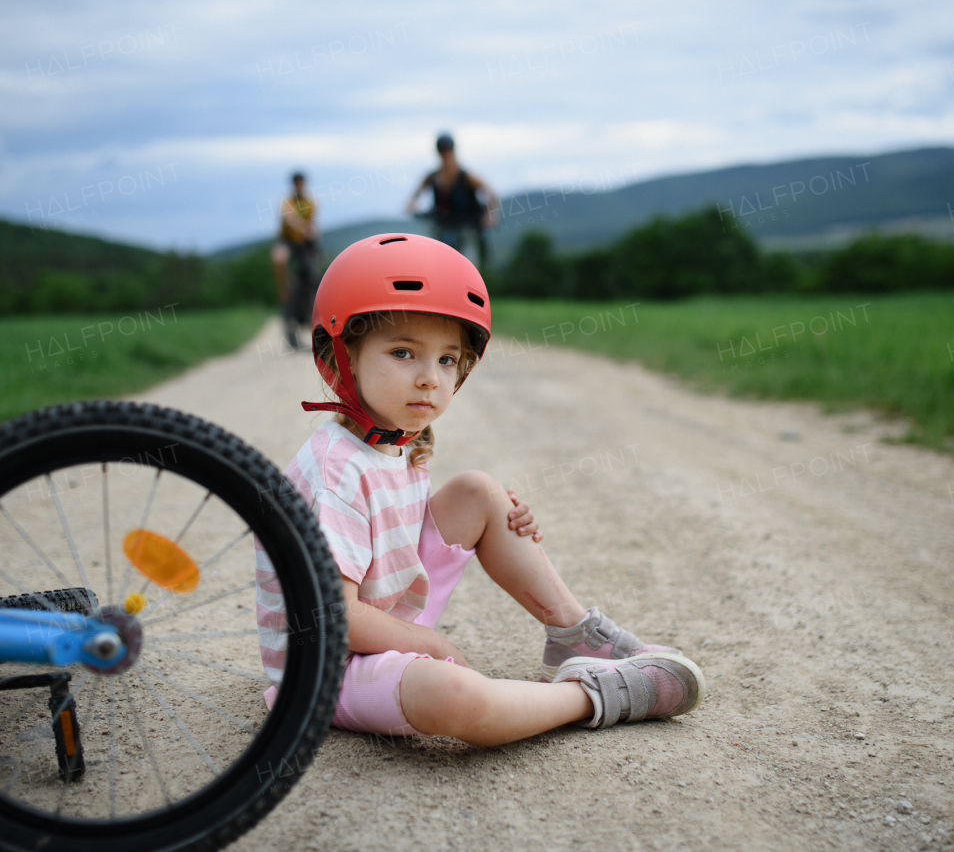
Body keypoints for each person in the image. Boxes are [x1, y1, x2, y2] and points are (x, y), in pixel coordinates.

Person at [257, 234, 705, 745]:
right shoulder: (333, 470)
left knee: (477, 491)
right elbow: (337, 616)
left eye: (447, 360)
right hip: (329, 662)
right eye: (403, 352)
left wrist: (501, 526)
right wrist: (431, 644)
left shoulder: (395, 441)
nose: (430, 379)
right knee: (456, 697)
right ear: (343, 357)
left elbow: (392, 535)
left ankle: (572, 633)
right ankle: (593, 694)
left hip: (382, 618)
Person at [406, 134, 496, 272]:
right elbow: (414, 196)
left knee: (469, 264)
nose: (445, 155)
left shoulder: (466, 176)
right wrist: (412, 204)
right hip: (442, 225)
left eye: (447, 151)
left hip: (466, 225)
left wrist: (490, 214)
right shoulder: (432, 177)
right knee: (437, 261)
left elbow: (491, 194)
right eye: (442, 151)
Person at [276, 171, 321, 350]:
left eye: (301, 184)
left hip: (305, 245)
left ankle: (313, 315)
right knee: (279, 260)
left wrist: (313, 236)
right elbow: (289, 218)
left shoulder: (310, 203)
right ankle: (284, 291)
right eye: (297, 184)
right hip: (288, 242)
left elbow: (314, 225)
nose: (299, 187)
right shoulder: (288, 203)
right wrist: (305, 227)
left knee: (312, 278)